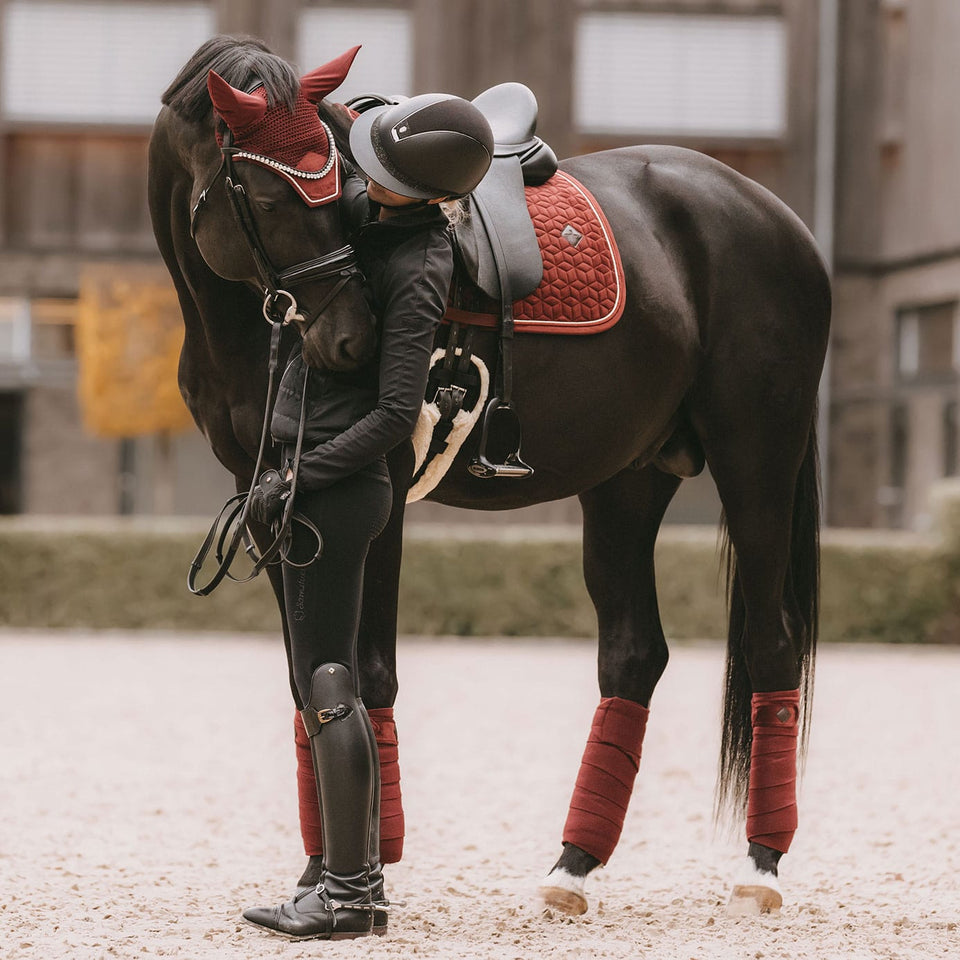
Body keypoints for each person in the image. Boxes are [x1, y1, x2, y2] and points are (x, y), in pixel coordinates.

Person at [241, 93, 494, 941]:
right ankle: (349, 884)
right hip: (303, 478)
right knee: (321, 679)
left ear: (409, 188)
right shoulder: (369, 217)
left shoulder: (420, 265)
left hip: (336, 494)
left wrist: (298, 477)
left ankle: (348, 895)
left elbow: (392, 417)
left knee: (328, 683)